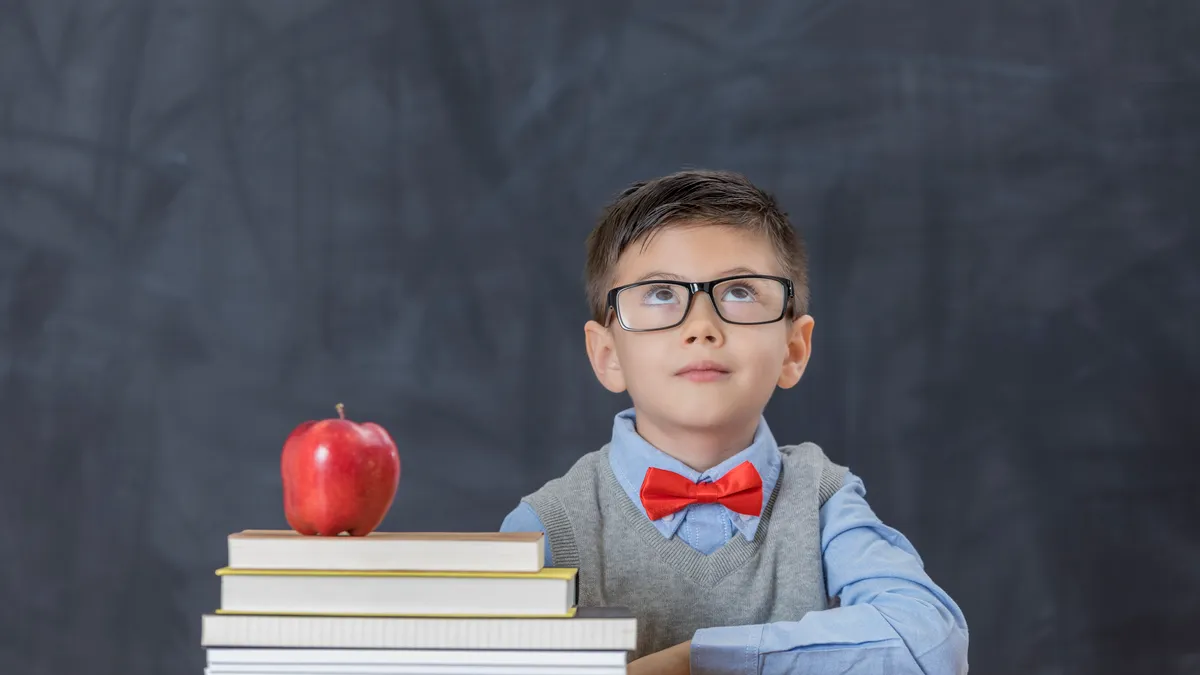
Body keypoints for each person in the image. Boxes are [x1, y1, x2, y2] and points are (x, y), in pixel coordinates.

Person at [500, 169, 969, 675]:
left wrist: (695, 659)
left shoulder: (824, 502)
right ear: (607, 354)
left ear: (794, 350)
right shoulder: (548, 527)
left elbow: (931, 642)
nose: (702, 327)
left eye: (740, 292)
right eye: (660, 294)